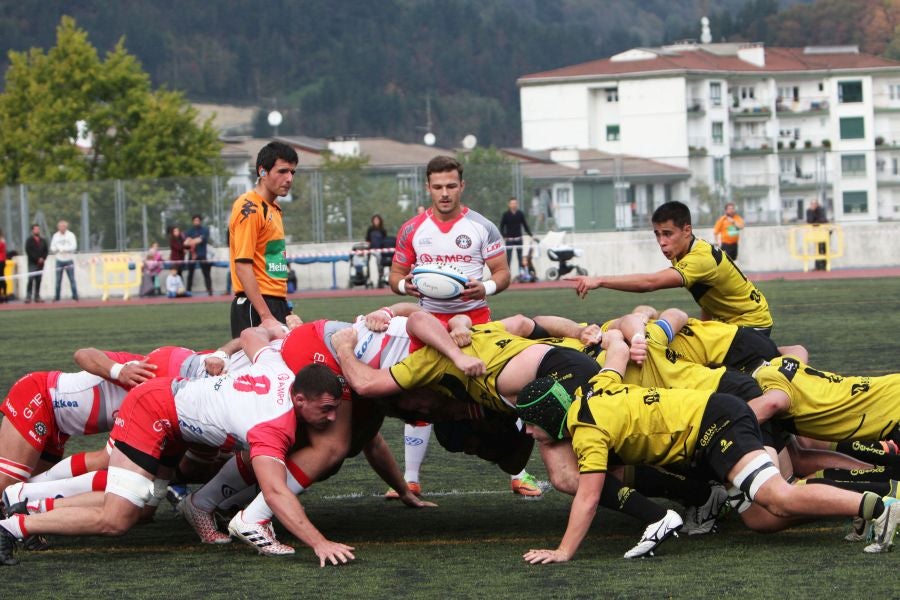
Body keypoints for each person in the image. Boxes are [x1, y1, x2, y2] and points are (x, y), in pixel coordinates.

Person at [515, 329, 897, 564]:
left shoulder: (586, 429)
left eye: (531, 423)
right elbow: (614, 356)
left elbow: (588, 495)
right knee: (763, 520)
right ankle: (863, 503)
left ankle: (881, 507)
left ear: (549, 416)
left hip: (718, 423)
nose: (530, 433)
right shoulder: (597, 387)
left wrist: (563, 552)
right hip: (715, 421)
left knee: (776, 497)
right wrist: (615, 337)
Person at [0, 328, 357, 568]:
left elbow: (249, 334)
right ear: (298, 397)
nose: (330, 418)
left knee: (142, 507)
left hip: (168, 415)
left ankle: (29, 504)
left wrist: (271, 327)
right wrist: (319, 542)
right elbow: (276, 493)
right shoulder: (271, 426)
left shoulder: (278, 368)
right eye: (325, 409)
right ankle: (14, 523)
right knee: (116, 518)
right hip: (152, 412)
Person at [387, 155, 535, 497]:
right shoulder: (412, 229)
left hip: (476, 323)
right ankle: (410, 479)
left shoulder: (482, 227)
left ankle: (520, 474)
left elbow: (503, 273)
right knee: (420, 397)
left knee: (496, 396)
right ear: (428, 187)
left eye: (451, 186)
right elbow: (395, 275)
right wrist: (401, 287)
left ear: (461, 186)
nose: (444, 193)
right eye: (437, 187)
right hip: (427, 326)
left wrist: (487, 287)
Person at [573, 201, 773, 332]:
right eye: (657, 234)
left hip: (752, 326)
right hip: (735, 323)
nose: (662, 241)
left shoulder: (699, 258)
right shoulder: (684, 251)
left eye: (667, 233)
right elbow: (707, 295)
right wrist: (706, 327)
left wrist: (599, 280)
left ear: (687, 230)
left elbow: (650, 283)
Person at [229, 141, 298, 338]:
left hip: (274, 304)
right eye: (282, 171)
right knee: (257, 367)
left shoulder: (274, 209)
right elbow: (242, 266)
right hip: (255, 307)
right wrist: (266, 316)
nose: (289, 178)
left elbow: (271, 266)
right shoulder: (249, 207)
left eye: (293, 172)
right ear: (262, 172)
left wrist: (285, 309)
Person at [499, 197, 533, 275]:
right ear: (509, 204)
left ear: (517, 204)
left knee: (520, 257)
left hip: (519, 239)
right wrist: (504, 236)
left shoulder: (520, 214)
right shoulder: (505, 214)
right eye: (512, 203)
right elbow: (501, 226)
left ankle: (521, 274)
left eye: (515, 203)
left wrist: (530, 234)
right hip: (509, 240)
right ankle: (508, 275)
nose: (514, 205)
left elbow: (525, 225)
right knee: (509, 258)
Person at [49, 219, 78, 302]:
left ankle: (75, 296)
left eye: (63, 226)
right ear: (58, 227)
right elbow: (52, 247)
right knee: (58, 280)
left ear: (66, 227)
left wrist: (65, 249)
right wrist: (58, 249)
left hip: (69, 260)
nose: (62, 228)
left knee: (72, 279)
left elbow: (74, 246)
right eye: (60, 226)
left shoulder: (71, 235)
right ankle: (57, 297)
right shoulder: (55, 236)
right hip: (59, 260)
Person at [184, 214, 213, 296]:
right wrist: (194, 240)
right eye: (195, 220)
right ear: (193, 222)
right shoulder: (189, 231)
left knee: (206, 273)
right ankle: (188, 290)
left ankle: (209, 290)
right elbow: (186, 243)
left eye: (198, 220)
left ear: (200, 221)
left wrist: (191, 240)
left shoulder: (205, 230)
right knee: (190, 273)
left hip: (202, 254)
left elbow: (201, 240)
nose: (196, 222)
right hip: (192, 255)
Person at [24, 224, 48, 304]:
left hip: (41, 264)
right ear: (32, 230)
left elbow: (46, 250)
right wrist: (37, 259)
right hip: (32, 263)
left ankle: (37, 296)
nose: (37, 230)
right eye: (35, 229)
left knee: (39, 280)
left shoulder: (43, 240)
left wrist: (43, 258)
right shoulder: (29, 240)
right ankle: (28, 296)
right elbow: (28, 251)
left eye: (38, 229)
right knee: (31, 279)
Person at [365, 214, 389, 288]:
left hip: (380, 250)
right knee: (368, 262)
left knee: (380, 262)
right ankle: (369, 279)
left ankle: (380, 278)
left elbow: (385, 241)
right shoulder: (370, 229)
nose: (376, 221)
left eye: (377, 220)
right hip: (371, 250)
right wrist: (367, 250)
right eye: (375, 220)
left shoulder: (383, 230)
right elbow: (368, 241)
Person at [806, 199, 829, 271]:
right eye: (812, 204)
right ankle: (818, 266)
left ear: (817, 204)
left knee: (823, 248)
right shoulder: (809, 211)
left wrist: (815, 221)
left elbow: (823, 220)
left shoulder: (820, 210)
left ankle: (824, 266)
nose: (813, 205)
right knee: (817, 249)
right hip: (816, 232)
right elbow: (809, 221)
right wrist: (812, 212)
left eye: (814, 204)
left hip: (824, 231)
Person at [0, 228, 7, 303]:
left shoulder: (1, 240)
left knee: (2, 277)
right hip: (2, 260)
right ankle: (3, 294)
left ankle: (4, 295)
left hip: (1, 261)